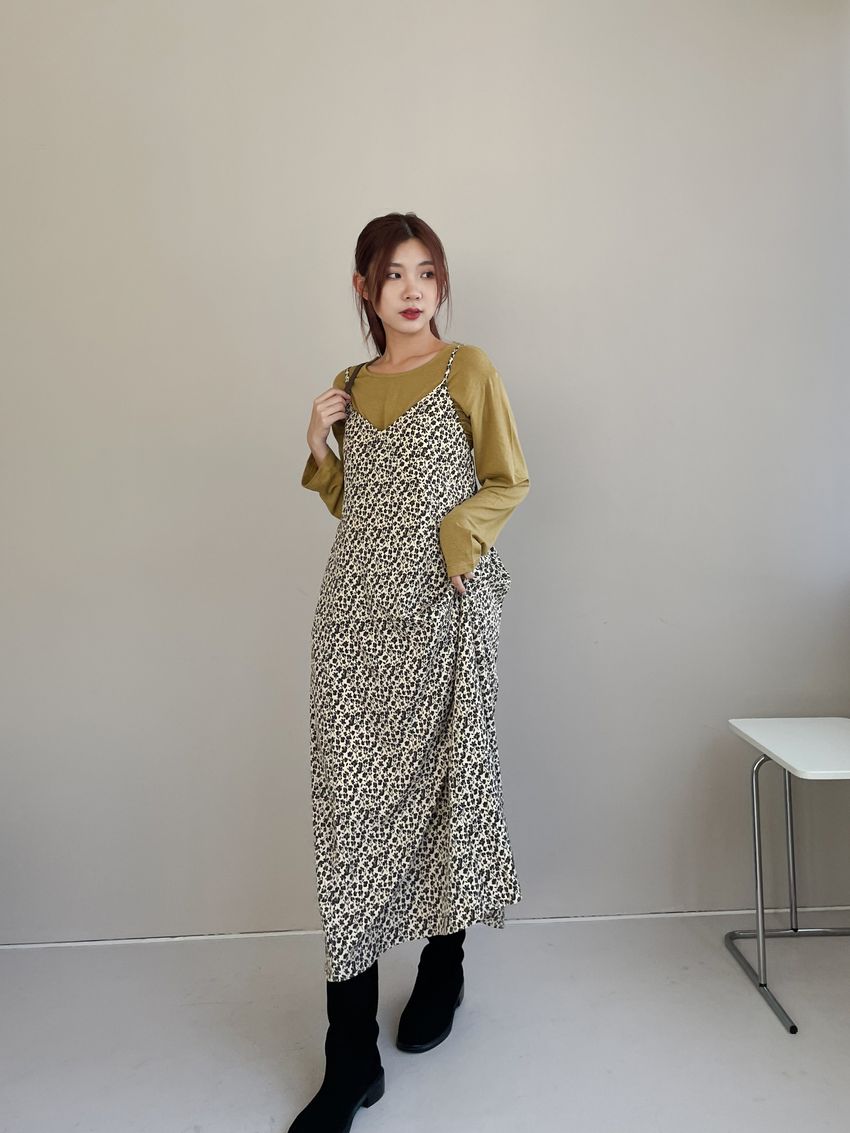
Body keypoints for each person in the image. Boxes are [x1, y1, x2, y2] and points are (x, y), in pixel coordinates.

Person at [290, 211, 530, 1132]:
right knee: (348, 823)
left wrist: (457, 539)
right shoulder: (351, 386)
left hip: (444, 613)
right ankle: (350, 1055)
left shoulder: (470, 368)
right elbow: (361, 508)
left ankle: (444, 963)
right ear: (364, 287)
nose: (413, 289)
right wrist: (319, 447)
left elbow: (506, 478)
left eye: (427, 271)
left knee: (447, 790)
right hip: (354, 626)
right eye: (394, 274)